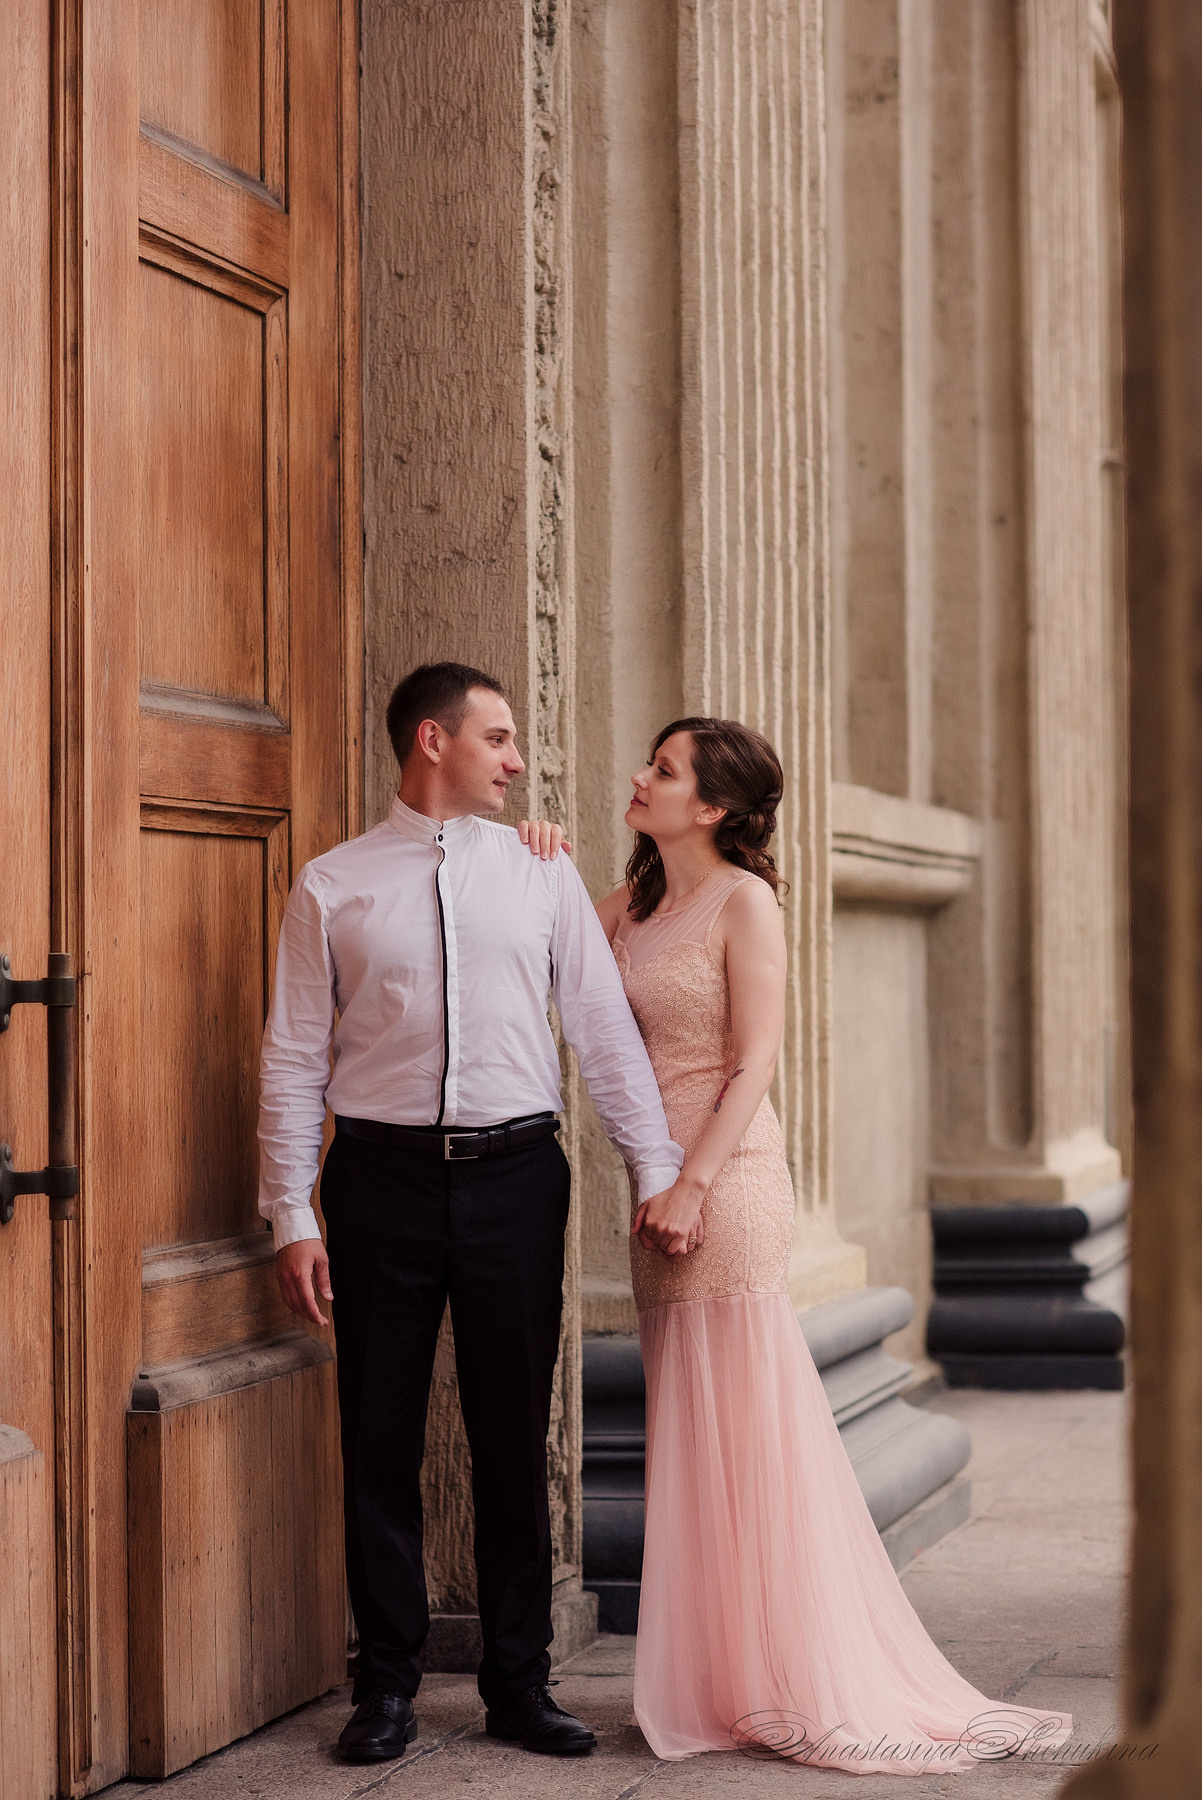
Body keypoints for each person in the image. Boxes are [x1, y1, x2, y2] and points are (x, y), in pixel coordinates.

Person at [523, 716, 1075, 1775]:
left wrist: (692, 1183)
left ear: (716, 807)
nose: (641, 777)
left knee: (752, 1429)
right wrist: (533, 853)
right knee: (694, 1431)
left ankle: (799, 1671)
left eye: (666, 769)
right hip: (653, 1193)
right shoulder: (632, 902)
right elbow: (542, 950)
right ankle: (728, 1677)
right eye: (651, 762)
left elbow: (756, 1059)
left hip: (722, 1188)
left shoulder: (745, 901)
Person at [256, 662, 686, 1764]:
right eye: (495, 738)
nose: (515, 758)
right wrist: (289, 1214)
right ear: (430, 741)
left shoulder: (539, 872)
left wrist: (657, 1170)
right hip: (379, 1184)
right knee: (379, 1434)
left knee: (510, 1434)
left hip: (511, 1180)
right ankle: (385, 1687)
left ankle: (517, 1683)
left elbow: (598, 1029)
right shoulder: (331, 885)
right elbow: (295, 1057)